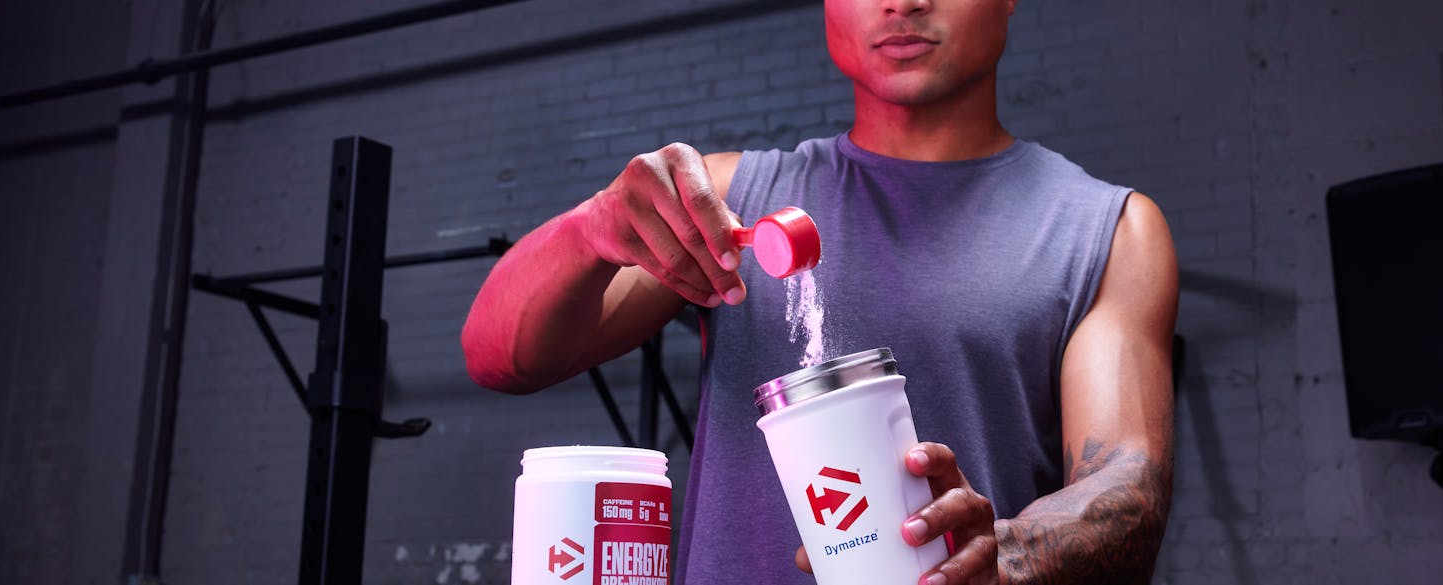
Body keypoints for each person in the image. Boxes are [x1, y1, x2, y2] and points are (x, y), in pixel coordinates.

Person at [461, 0, 1177, 582]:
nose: (904, 3)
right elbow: (503, 356)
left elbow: (1127, 489)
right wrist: (593, 228)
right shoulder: (729, 203)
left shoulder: (1107, 231)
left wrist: (1003, 553)